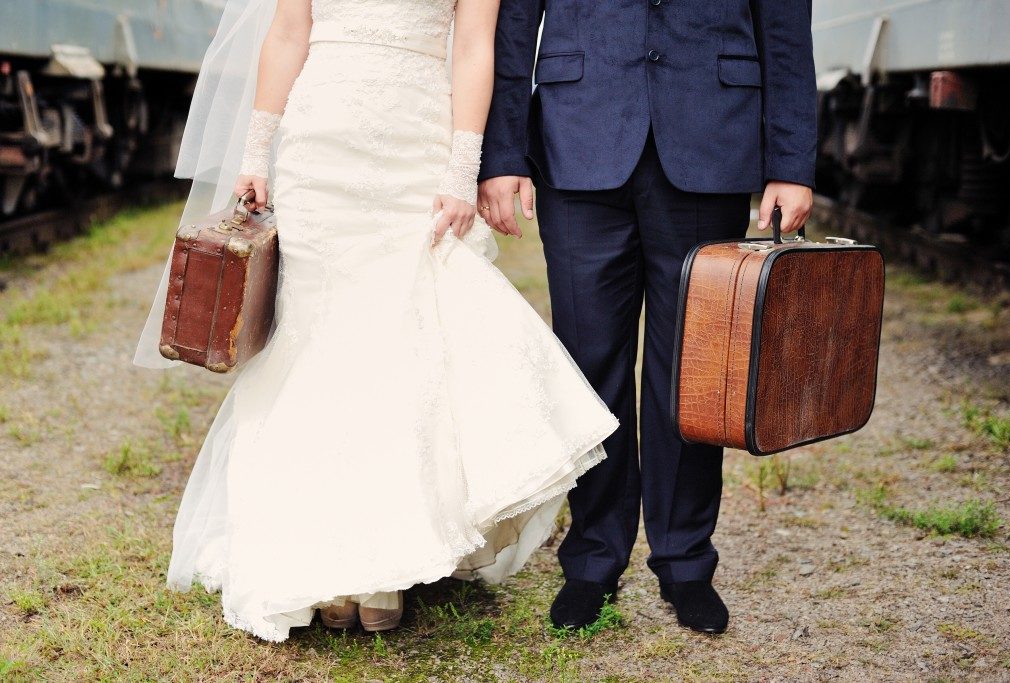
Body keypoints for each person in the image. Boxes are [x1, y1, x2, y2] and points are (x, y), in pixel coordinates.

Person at [132, 0, 618, 642]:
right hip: (317, 145)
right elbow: (288, 31)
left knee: (394, 344)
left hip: (414, 146)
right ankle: (319, 556)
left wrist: (459, 169)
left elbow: (477, 45)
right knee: (316, 342)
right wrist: (256, 151)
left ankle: (379, 563)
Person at [478, 0, 817, 634]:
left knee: (689, 372)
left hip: (708, 137)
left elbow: (785, 27)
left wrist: (791, 163)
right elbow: (513, 23)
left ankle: (686, 562)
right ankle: (592, 561)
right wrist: (502, 155)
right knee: (589, 361)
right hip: (577, 136)